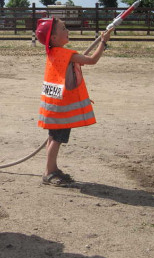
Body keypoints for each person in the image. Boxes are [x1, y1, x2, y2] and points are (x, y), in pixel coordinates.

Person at [36, 17, 112, 186]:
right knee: (57, 139)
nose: (67, 31)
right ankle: (49, 172)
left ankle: (52, 168)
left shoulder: (54, 53)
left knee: (53, 137)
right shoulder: (66, 55)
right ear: (54, 38)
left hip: (52, 106)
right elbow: (92, 60)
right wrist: (103, 42)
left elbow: (70, 71)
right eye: (63, 28)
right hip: (61, 109)